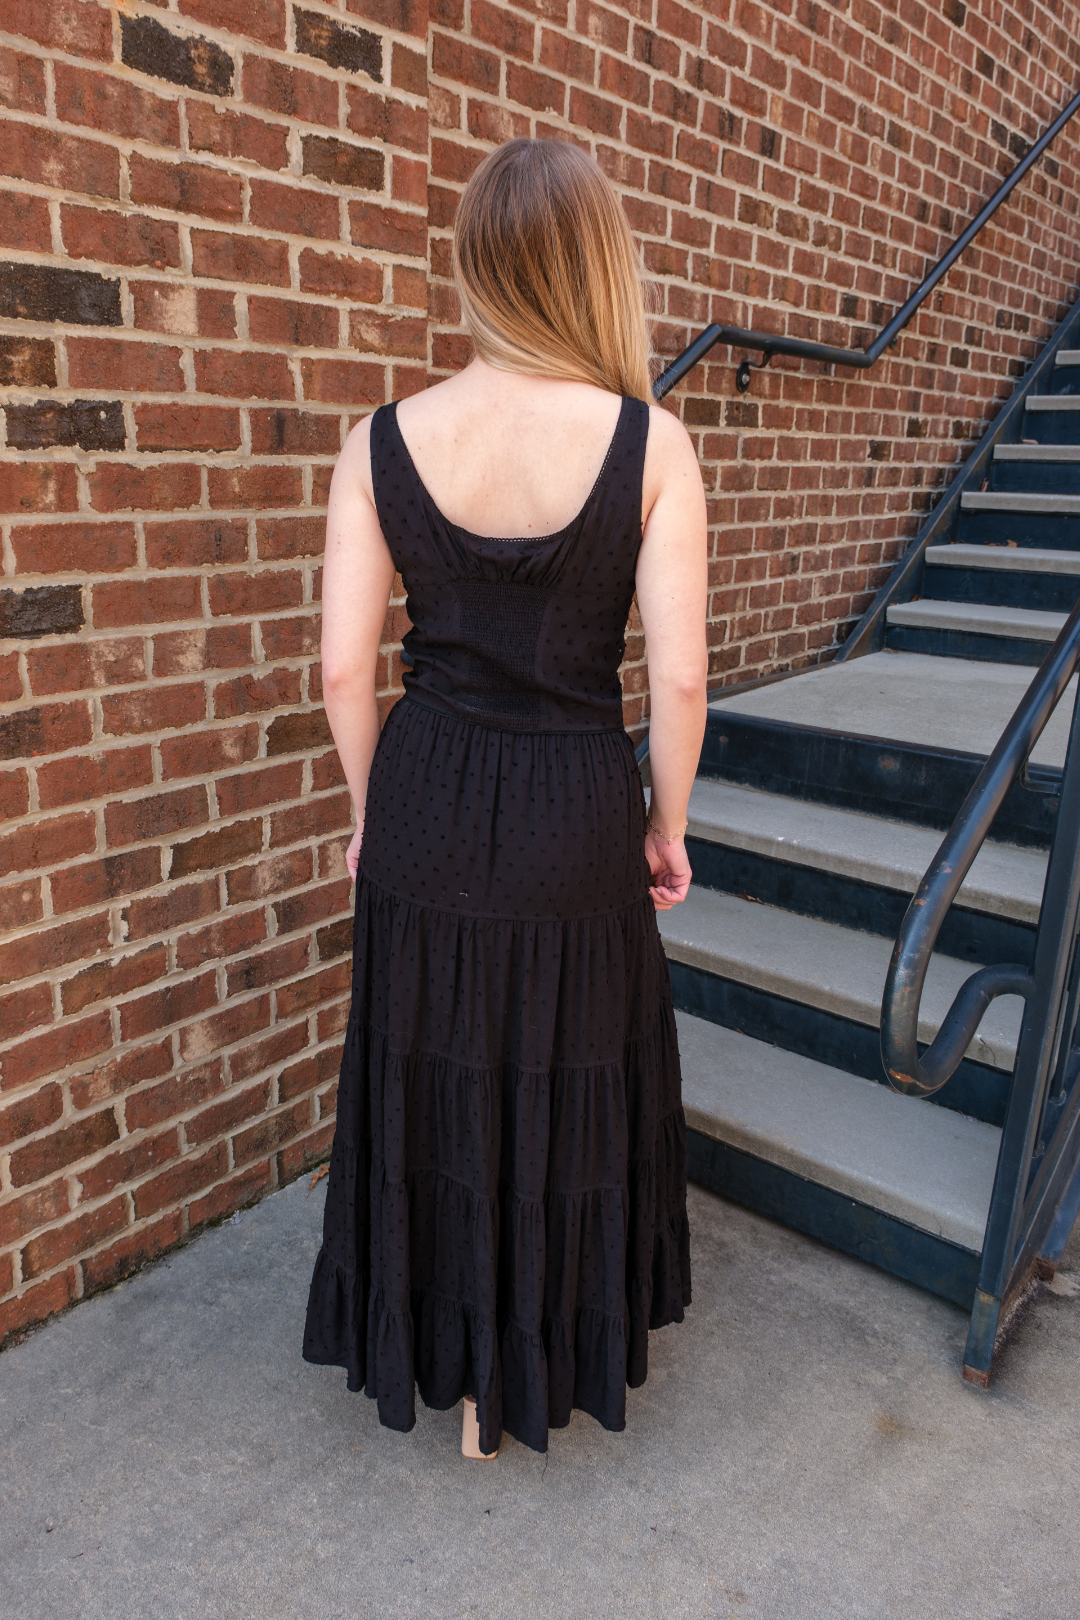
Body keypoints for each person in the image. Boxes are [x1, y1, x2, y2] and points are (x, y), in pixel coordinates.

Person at [303, 136, 708, 1460]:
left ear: (475, 267)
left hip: (427, 791)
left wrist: (372, 810)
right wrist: (666, 824)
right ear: (598, 269)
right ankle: (515, 1379)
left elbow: (343, 667)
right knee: (558, 1073)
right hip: (576, 805)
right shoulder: (652, 446)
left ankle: (451, 1360)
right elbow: (682, 680)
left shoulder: (380, 442)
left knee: (436, 1070)